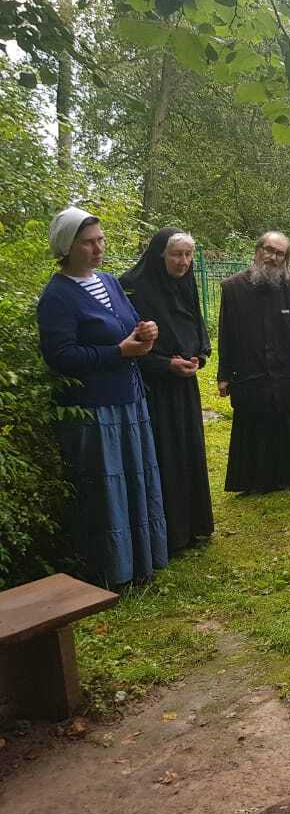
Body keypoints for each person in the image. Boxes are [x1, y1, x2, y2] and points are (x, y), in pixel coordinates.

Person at [37, 207, 168, 588]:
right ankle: (113, 572)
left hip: (128, 399)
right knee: (109, 490)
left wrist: (146, 331)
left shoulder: (108, 282)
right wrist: (119, 352)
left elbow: (127, 326)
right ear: (67, 247)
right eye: (88, 243)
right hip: (94, 410)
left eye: (101, 240)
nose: (98, 249)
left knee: (136, 481)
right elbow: (60, 357)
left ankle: (143, 562)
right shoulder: (58, 296)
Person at [121, 228, 214, 554]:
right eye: (176, 255)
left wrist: (200, 355)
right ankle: (170, 532)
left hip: (185, 382)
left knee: (189, 450)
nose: (183, 262)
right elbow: (127, 342)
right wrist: (165, 364)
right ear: (159, 255)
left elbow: (196, 321)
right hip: (155, 387)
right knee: (164, 454)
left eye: (188, 255)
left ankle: (195, 525)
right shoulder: (133, 286)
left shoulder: (185, 281)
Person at [217, 231, 290, 493]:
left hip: (285, 373)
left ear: (286, 259)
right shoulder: (232, 288)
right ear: (258, 250)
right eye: (269, 250)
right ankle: (255, 481)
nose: (273, 257)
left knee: (286, 424)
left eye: (280, 254)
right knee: (253, 425)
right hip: (249, 372)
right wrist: (224, 375)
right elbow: (226, 334)